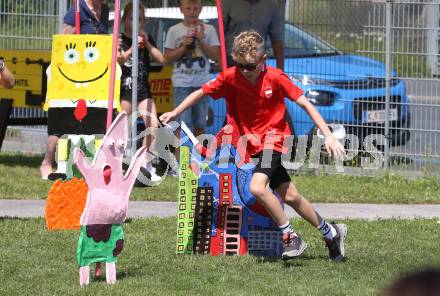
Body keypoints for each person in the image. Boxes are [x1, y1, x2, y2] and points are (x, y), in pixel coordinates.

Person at [160, 31, 347, 261]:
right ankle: (331, 233)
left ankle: (290, 236)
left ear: (263, 60)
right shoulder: (230, 77)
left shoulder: (276, 77)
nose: (244, 71)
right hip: (252, 146)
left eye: (249, 66)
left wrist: (328, 135)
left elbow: (305, 103)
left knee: (257, 188)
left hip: (274, 140)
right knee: (290, 196)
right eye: (239, 66)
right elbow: (201, 92)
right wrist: (175, 113)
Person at [39, 0, 109, 179]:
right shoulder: (77, 8)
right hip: (71, 76)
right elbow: (64, 42)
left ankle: (85, 163)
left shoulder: (105, 9)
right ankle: (47, 163)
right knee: (62, 119)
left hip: (94, 79)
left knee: (92, 122)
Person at [163, 0, 220, 176]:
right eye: (188, 8)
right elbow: (167, 57)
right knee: (182, 125)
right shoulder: (174, 30)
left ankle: (199, 163)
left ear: (201, 9)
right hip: (182, 84)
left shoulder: (209, 30)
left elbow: (216, 55)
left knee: (199, 125)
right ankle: (181, 165)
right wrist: (184, 46)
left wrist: (201, 39)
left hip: (202, 84)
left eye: (195, 8)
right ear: (181, 9)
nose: (192, 12)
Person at [117, 2, 166, 184]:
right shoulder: (120, 38)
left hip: (143, 90)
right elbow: (119, 60)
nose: (135, 22)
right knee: (121, 127)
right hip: (125, 90)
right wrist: (132, 48)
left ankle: (145, 163)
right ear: (124, 20)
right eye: (131, 18)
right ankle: (118, 163)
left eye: (139, 19)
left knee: (153, 124)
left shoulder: (146, 38)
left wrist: (147, 45)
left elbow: (161, 59)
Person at [222, 0, 284, 70]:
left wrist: (280, 69)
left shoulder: (271, 5)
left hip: (258, 62)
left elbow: (276, 39)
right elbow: (220, 35)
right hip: (233, 61)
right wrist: (220, 60)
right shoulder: (228, 3)